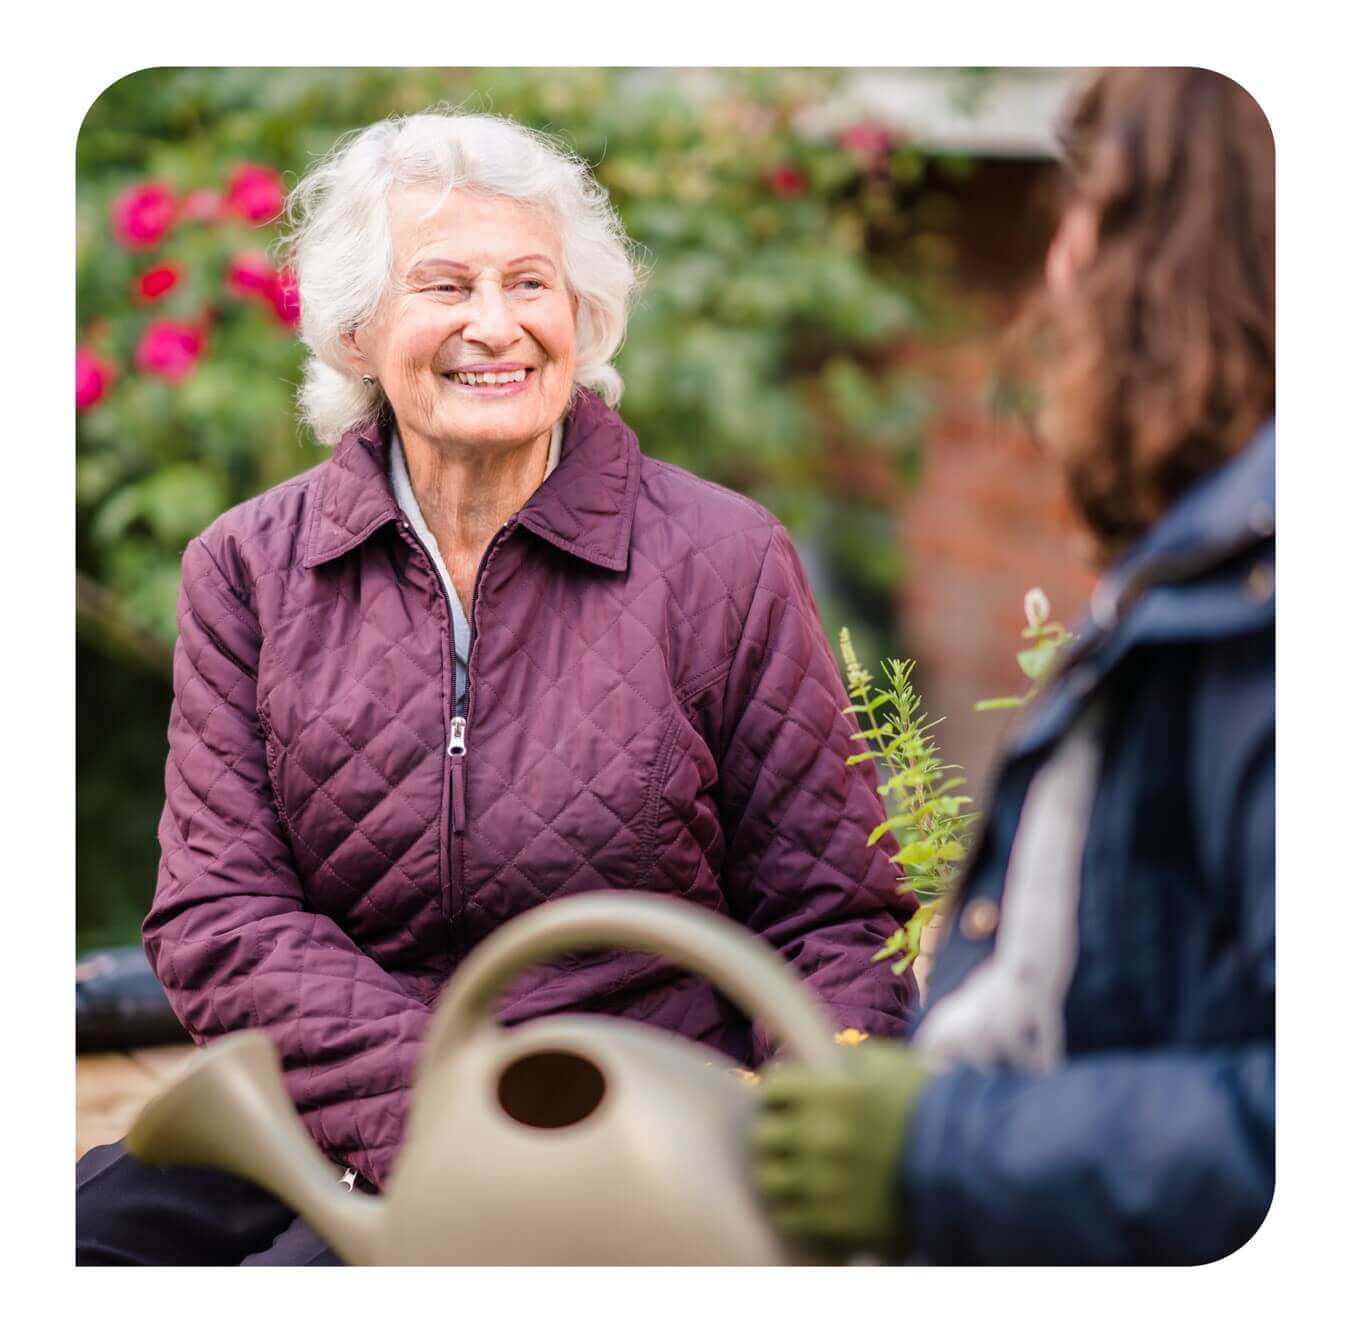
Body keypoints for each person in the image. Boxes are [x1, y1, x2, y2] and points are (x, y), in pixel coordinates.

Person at [76, 110, 918, 1264]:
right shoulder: (249, 567)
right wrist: (442, 1110)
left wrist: (805, 1146)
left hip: (626, 1123)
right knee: (77, 1232)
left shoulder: (722, 558)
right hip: (343, 1102)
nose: (496, 324)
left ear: (580, 315)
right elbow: (222, 916)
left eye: (531, 281)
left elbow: (831, 913)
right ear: (356, 329)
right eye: (445, 285)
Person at [751, 67, 1275, 1265]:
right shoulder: (1213, 568)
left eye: (1081, 213)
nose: (1055, 274)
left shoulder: (1270, 599)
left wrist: (934, 1143)